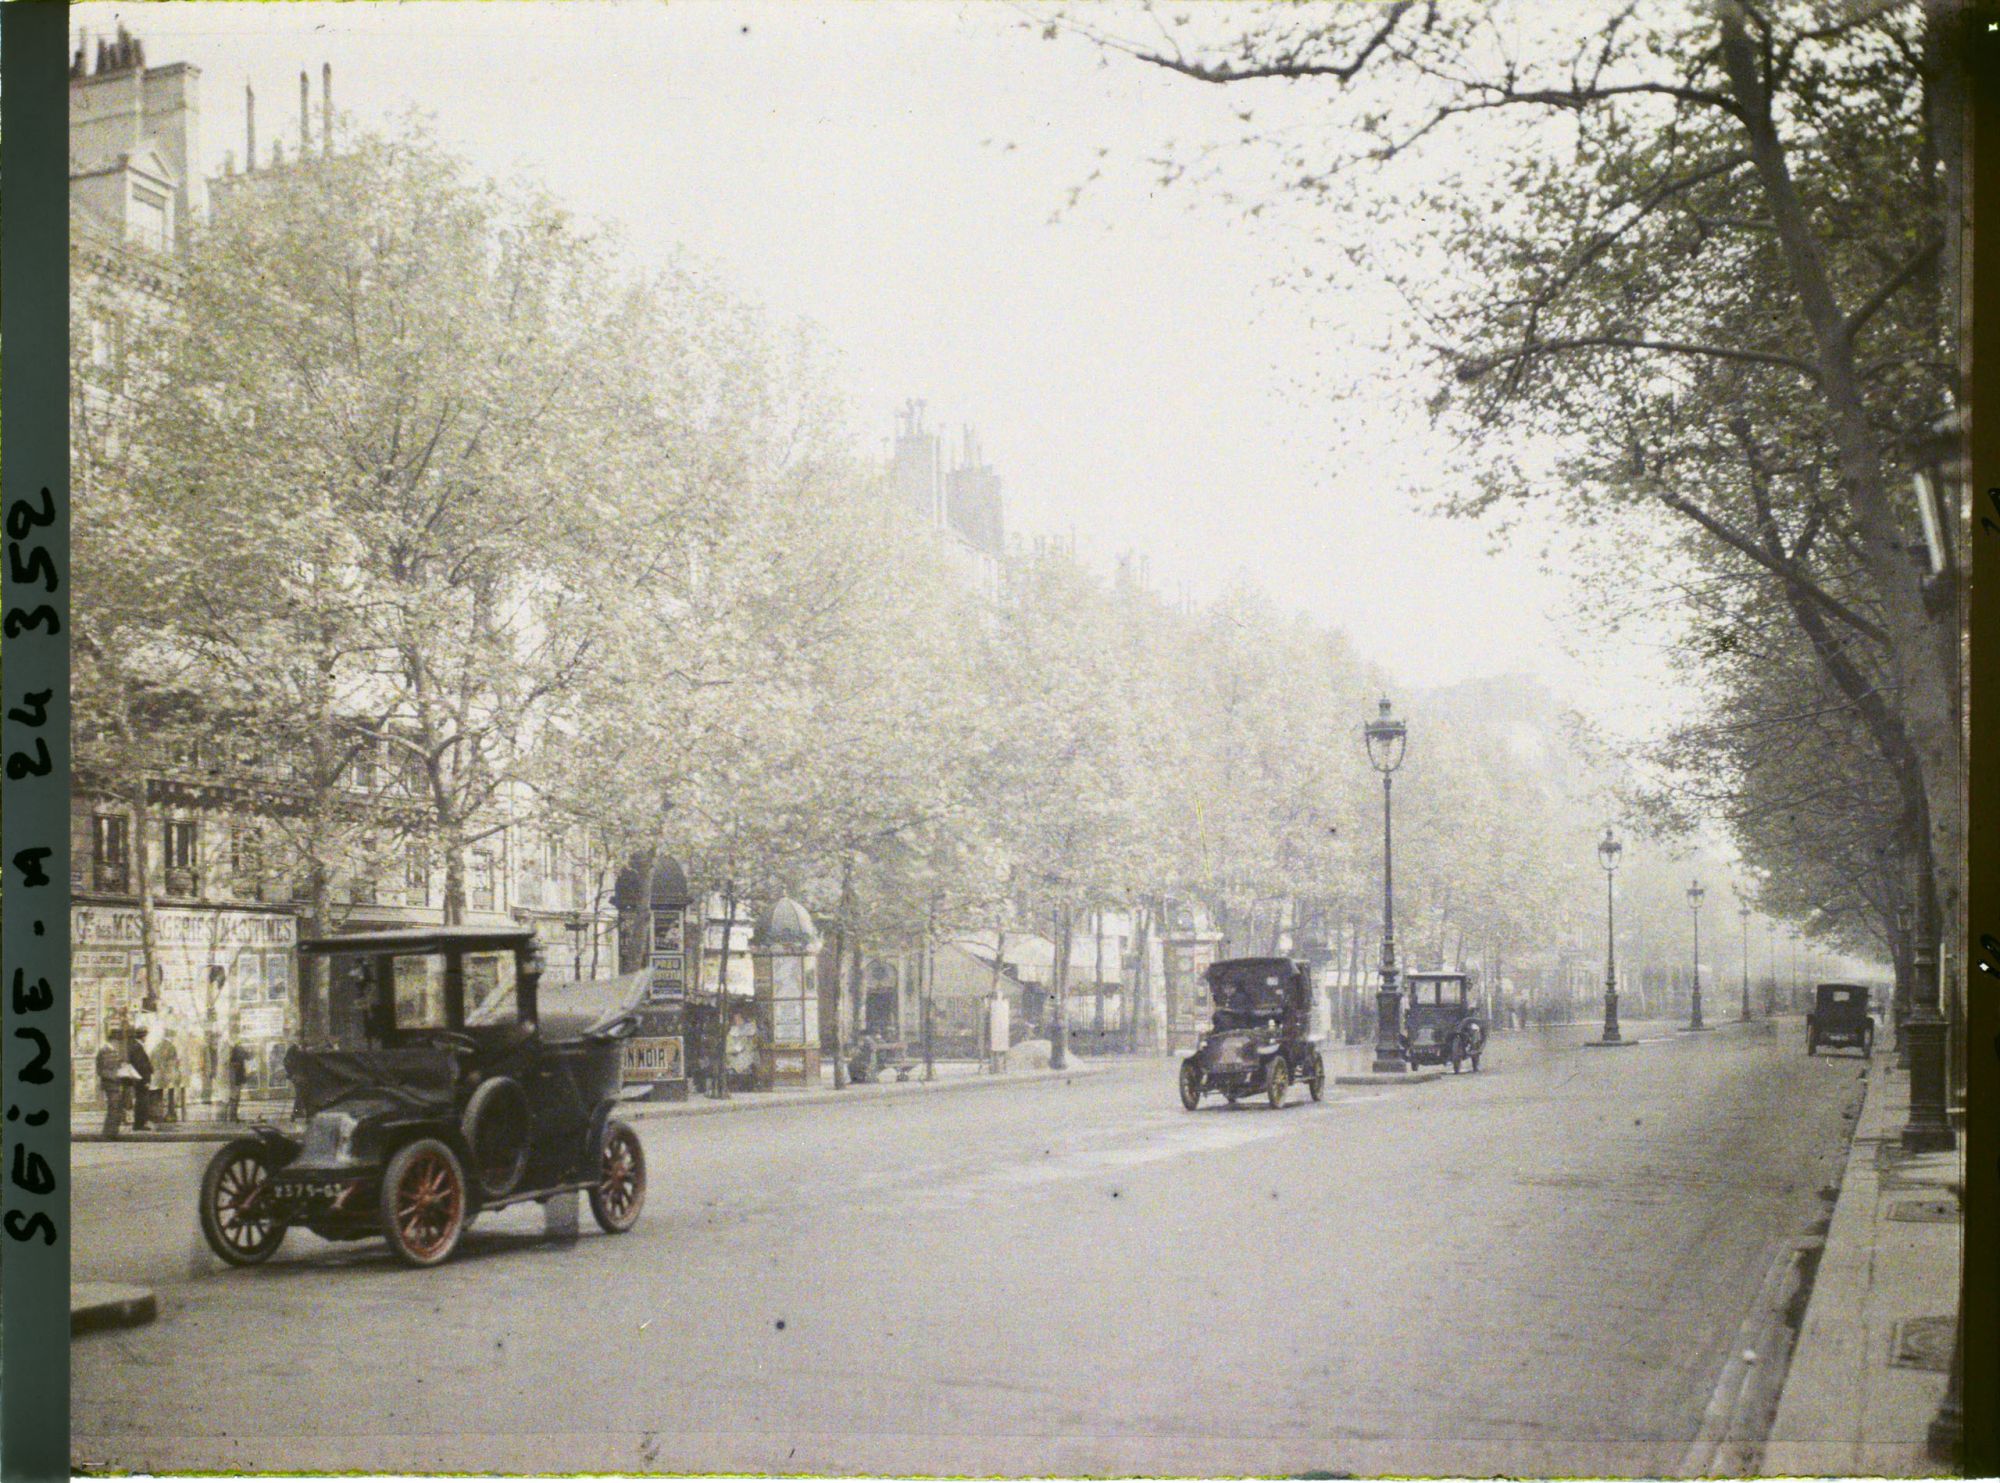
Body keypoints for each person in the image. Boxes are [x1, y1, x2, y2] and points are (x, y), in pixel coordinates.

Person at [96, 1035, 127, 1139]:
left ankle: (113, 1132)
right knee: (113, 1107)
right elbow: (101, 1070)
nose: (118, 1044)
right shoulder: (104, 1051)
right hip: (110, 1084)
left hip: (116, 1083)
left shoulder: (113, 1051)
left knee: (116, 1108)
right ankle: (109, 1133)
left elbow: (115, 1066)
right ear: (113, 1040)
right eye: (118, 1041)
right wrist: (116, 1075)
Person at [125, 1027, 156, 1130]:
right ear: (142, 1036)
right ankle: (140, 1124)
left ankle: (139, 1124)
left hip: (139, 1079)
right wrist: (145, 1080)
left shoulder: (136, 1046)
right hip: (141, 1080)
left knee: (141, 1101)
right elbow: (140, 1066)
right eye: (145, 1036)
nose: (146, 1038)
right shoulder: (137, 1047)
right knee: (142, 1102)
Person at [154, 1033, 182, 1124]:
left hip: (160, 1075)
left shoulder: (159, 1045)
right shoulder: (171, 1047)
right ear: (171, 1036)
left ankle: (160, 1115)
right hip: (169, 1075)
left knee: (160, 1095)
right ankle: (170, 1114)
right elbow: (173, 1061)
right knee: (171, 1096)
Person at [224, 1039, 251, 1122]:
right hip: (236, 1077)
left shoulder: (236, 1049)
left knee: (235, 1096)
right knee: (235, 1097)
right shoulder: (238, 1049)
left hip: (235, 1076)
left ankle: (232, 1115)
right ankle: (232, 1116)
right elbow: (247, 1057)